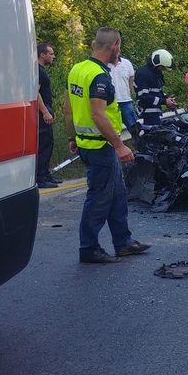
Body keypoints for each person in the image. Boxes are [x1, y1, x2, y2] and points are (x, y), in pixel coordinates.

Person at [63, 27, 151, 264]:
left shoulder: (78, 69)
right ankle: (89, 248)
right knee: (99, 198)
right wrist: (119, 145)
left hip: (87, 144)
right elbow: (98, 114)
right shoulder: (100, 76)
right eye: (119, 47)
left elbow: (67, 108)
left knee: (118, 194)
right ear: (115, 46)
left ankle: (123, 242)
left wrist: (72, 137)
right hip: (101, 147)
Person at [36, 42, 59, 188]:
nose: (53, 56)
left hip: (46, 110)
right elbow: (36, 92)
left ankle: (46, 175)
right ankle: (41, 178)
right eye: (50, 54)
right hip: (41, 113)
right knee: (44, 145)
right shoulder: (38, 71)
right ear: (42, 55)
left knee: (48, 144)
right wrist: (45, 112)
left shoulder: (41, 70)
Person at [135, 49, 177, 126]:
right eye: (162, 67)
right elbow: (144, 97)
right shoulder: (143, 74)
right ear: (157, 64)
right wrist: (164, 101)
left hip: (155, 113)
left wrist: (167, 98)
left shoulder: (156, 73)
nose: (163, 70)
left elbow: (157, 92)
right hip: (147, 113)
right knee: (153, 132)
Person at [108, 53, 137, 130]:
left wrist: (132, 92)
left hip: (126, 101)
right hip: (110, 103)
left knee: (134, 128)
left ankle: (137, 138)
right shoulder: (103, 65)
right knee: (113, 129)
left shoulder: (126, 63)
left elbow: (131, 78)